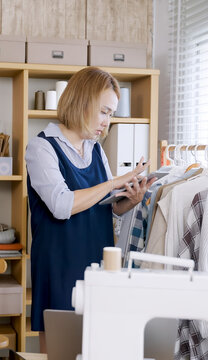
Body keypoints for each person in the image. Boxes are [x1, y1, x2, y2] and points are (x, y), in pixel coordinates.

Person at [25, 67, 155, 352]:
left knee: (96, 349)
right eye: (104, 112)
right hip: (60, 263)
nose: (107, 122)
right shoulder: (41, 147)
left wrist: (128, 200)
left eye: (111, 114)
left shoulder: (95, 149)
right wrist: (114, 181)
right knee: (60, 351)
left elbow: (103, 206)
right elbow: (62, 205)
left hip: (96, 260)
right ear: (82, 101)